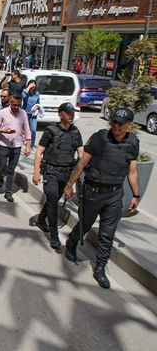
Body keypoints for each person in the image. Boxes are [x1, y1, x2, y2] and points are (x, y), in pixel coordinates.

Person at [63, 107, 140, 289]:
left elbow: (133, 171)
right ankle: (72, 241)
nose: (115, 126)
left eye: (120, 124)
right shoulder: (100, 138)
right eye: (114, 122)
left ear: (129, 125)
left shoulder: (133, 142)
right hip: (93, 191)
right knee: (85, 225)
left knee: (107, 234)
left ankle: (100, 268)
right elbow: (82, 163)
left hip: (114, 194)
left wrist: (136, 194)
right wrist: (69, 185)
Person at [32, 102, 83, 250]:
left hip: (67, 173)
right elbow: (39, 151)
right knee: (53, 200)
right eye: (68, 113)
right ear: (60, 114)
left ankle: (41, 219)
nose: (71, 115)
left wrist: (81, 171)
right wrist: (36, 172)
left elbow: (81, 153)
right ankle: (53, 235)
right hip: (51, 171)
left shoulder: (76, 132)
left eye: (72, 113)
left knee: (53, 200)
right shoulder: (51, 130)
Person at [0, 94, 32, 202]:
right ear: (10, 103)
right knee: (1, 168)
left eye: (18, 105)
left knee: (11, 169)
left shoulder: (23, 113)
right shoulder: (3, 112)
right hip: (3, 144)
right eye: (14, 105)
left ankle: (8, 192)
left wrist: (28, 146)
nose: (15, 107)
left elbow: (27, 129)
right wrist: (4, 131)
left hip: (17, 145)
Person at [22, 80, 43, 147]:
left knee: (33, 130)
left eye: (34, 84)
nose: (33, 86)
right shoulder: (25, 92)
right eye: (31, 84)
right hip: (25, 113)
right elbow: (23, 96)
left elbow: (38, 103)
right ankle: (23, 142)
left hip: (33, 114)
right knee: (24, 129)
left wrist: (37, 107)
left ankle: (32, 144)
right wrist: (28, 88)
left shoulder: (36, 93)